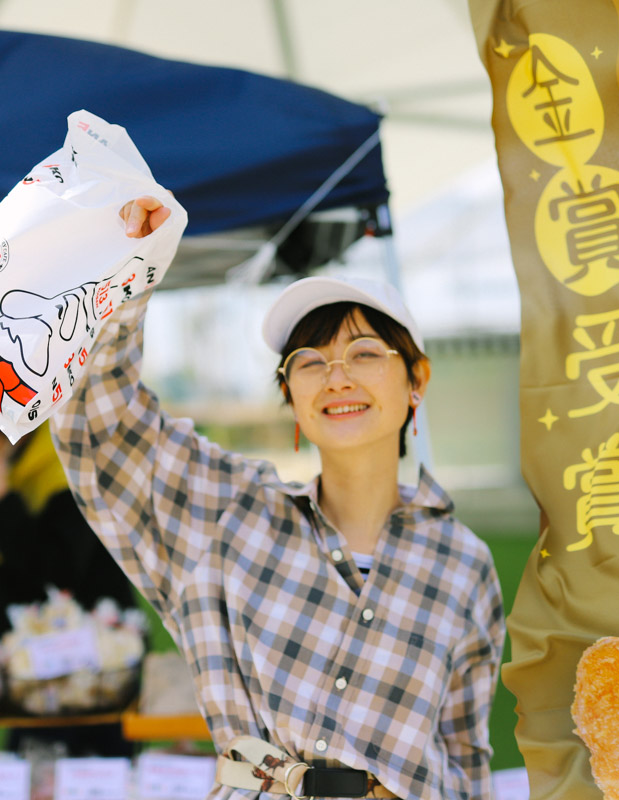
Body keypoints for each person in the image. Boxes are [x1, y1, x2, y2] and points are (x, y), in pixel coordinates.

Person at [50, 195, 505, 799]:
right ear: (289, 393)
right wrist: (132, 270)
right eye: (309, 361)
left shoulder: (463, 564)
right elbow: (99, 427)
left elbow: (465, 757)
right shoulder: (228, 515)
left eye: (366, 353)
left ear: (416, 379)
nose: (337, 377)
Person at [0, 381, 138, 756]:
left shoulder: (74, 473)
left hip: (97, 685)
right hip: (28, 685)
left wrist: (0, 504)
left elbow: (56, 586)